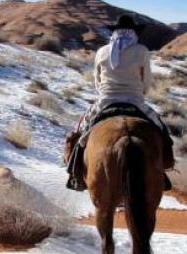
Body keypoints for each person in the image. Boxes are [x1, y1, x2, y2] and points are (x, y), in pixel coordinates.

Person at [65, 14, 175, 191]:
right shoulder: (141, 51)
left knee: (80, 132)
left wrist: (106, 91)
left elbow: (97, 81)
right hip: (136, 101)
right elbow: (146, 81)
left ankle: (75, 173)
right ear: (134, 33)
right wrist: (140, 93)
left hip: (105, 101)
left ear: (114, 33)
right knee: (161, 131)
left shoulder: (102, 51)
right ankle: (162, 172)